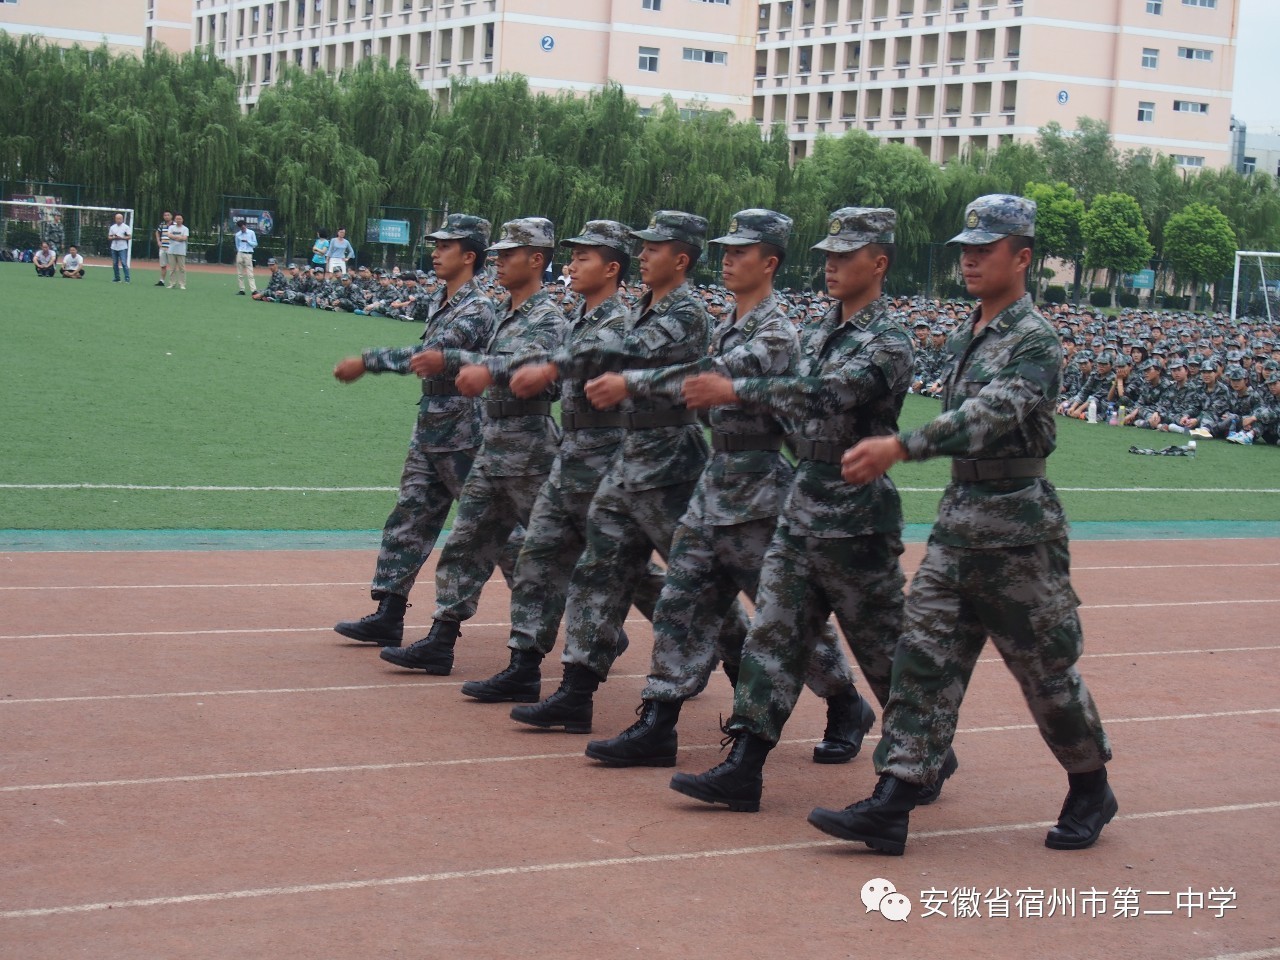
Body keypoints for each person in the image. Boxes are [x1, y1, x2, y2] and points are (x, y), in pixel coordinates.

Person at [814, 194, 1115, 856]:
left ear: (1023, 256)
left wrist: (902, 446)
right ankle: (894, 800)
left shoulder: (1036, 341)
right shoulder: (967, 333)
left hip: (1019, 534)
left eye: (986, 248)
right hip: (959, 526)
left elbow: (991, 414)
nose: (971, 259)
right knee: (921, 661)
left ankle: (1090, 785)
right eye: (966, 249)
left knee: (1046, 676)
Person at [584, 209, 877, 774]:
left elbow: (710, 375)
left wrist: (631, 381)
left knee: (783, 615)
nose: (728, 259)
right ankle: (658, 719)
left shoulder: (776, 333)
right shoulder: (730, 321)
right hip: (715, 483)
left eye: (741, 252)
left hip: (760, 494)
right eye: (725, 249)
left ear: (769, 263)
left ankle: (845, 703)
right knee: (681, 603)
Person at [664, 208, 915, 812]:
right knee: (773, 638)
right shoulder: (822, 328)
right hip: (803, 502)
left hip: (856, 515)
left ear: (878, 263)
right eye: (826, 254)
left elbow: (824, 393)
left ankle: (922, 754)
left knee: (885, 653)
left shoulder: (890, 339)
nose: (830, 265)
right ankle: (743, 766)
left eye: (844, 256)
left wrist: (737, 390)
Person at [506, 210, 716, 733]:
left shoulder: (684, 312)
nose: (642, 255)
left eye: (652, 248)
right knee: (591, 567)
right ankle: (571, 690)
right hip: (623, 455)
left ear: (681, 258)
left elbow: (623, 353)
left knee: (697, 584)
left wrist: (553, 368)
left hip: (668, 460)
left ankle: (815, 687)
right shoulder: (641, 307)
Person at [378, 218, 566, 674]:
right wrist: (463, 362)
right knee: (466, 544)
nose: (498, 262)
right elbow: (474, 357)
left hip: (528, 447)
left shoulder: (548, 318)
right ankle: (441, 640)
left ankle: (587, 638)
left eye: (508, 254)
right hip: (492, 441)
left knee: (544, 549)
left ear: (537, 259)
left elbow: (537, 368)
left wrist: (486, 369)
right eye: (497, 254)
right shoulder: (503, 312)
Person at [332, 214, 510, 649]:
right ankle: (389, 613)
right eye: (436, 244)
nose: (435, 251)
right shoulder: (442, 299)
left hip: (465, 434)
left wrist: (368, 360)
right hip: (433, 425)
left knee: (502, 535)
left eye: (445, 246)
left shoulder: (477, 308)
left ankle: (589, 625)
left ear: (470, 256)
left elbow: (433, 355)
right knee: (410, 518)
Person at [233, 219, 258, 295]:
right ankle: (242, 290)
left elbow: (255, 244)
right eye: (241, 227)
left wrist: (247, 241)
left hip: (248, 253)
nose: (242, 228)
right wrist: (239, 251)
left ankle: (253, 290)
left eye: (243, 227)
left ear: (245, 225)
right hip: (240, 253)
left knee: (250, 272)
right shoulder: (237, 235)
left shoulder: (251, 233)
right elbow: (237, 245)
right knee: (240, 273)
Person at [165, 215, 189, 290]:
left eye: (180, 219)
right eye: (177, 219)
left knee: (182, 268)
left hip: (181, 251)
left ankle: (182, 284)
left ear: (182, 220)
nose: (178, 220)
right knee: (172, 268)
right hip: (171, 250)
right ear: (175, 220)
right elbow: (169, 235)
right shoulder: (171, 227)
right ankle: (172, 283)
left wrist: (174, 237)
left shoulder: (185, 229)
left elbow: (184, 238)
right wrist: (178, 237)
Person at [108, 212, 131, 283]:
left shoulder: (126, 227)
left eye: (120, 219)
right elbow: (109, 237)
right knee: (115, 263)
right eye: (117, 218)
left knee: (124, 263)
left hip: (122, 247)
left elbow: (129, 236)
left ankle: (127, 278)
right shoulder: (112, 227)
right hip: (114, 247)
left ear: (122, 219)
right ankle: (117, 278)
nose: (118, 220)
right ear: (115, 219)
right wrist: (113, 237)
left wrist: (121, 238)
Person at [154, 211, 174, 286]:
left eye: (168, 215)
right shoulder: (162, 224)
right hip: (163, 247)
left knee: (172, 265)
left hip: (171, 248)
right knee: (163, 265)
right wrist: (158, 241)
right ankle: (161, 281)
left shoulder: (174, 225)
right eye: (165, 215)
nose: (166, 216)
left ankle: (172, 282)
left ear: (171, 216)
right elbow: (157, 232)